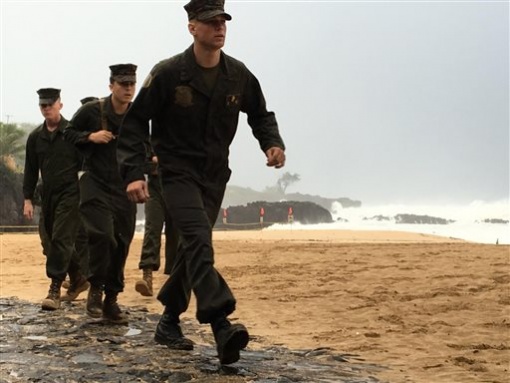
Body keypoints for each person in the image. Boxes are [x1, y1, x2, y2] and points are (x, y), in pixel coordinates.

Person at [117, 0, 286, 365]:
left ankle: (168, 321)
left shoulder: (237, 76)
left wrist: (272, 143)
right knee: (197, 241)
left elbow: (260, 113)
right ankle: (221, 324)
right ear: (192, 27)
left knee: (194, 249)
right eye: (210, 22)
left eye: (223, 20)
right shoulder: (168, 73)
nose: (219, 27)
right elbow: (134, 123)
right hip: (175, 173)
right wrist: (133, 172)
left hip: (213, 177)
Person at [64, 65, 138, 324]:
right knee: (102, 235)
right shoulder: (91, 111)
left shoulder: (137, 115)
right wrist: (90, 136)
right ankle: (95, 288)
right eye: (122, 84)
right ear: (111, 86)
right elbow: (68, 133)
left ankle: (112, 298)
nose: (128, 89)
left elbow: (145, 145)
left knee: (121, 242)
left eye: (131, 84)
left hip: (125, 186)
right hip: (95, 181)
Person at [23, 88, 86, 310]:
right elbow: (30, 169)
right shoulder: (35, 138)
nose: (46, 108)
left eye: (50, 104)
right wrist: (27, 199)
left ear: (60, 104)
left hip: (70, 193)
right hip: (46, 195)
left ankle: (55, 289)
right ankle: (78, 276)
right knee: (48, 242)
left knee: (61, 238)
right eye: (43, 105)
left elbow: (86, 164)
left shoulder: (72, 133)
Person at [135, 142, 179, 297]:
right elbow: (140, 164)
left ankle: (174, 281)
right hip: (154, 190)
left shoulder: (183, 136)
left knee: (175, 234)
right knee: (152, 229)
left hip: (178, 189)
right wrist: (154, 165)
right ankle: (147, 278)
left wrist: (160, 161)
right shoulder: (149, 140)